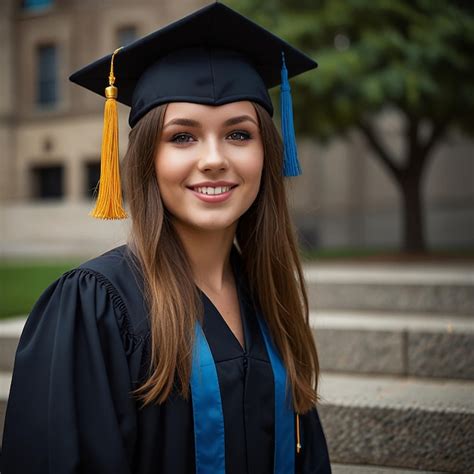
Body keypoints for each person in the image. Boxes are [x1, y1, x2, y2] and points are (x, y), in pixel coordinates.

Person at [1, 3, 331, 473]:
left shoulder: (269, 299)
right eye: (182, 137)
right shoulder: (94, 308)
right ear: (146, 160)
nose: (215, 159)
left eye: (239, 134)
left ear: (267, 154)